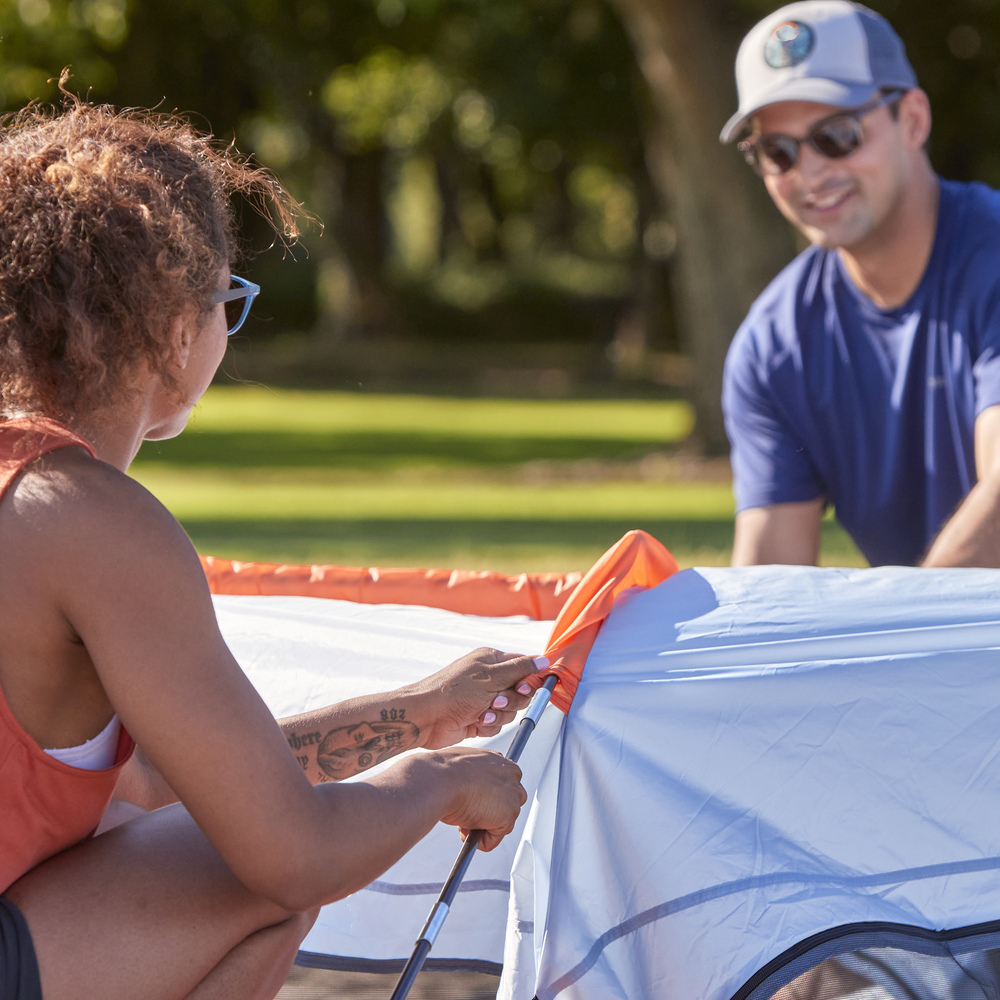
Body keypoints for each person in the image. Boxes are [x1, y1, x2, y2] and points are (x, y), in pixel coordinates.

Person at [0, 92, 541, 1000]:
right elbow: (290, 857)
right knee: (264, 888)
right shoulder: (91, 519)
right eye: (228, 302)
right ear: (178, 330)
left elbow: (161, 780)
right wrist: (439, 779)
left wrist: (419, 709)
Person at [719, 0, 1000, 568]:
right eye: (778, 152)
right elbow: (771, 588)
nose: (810, 173)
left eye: (837, 134)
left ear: (914, 120)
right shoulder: (774, 344)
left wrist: (903, 645)